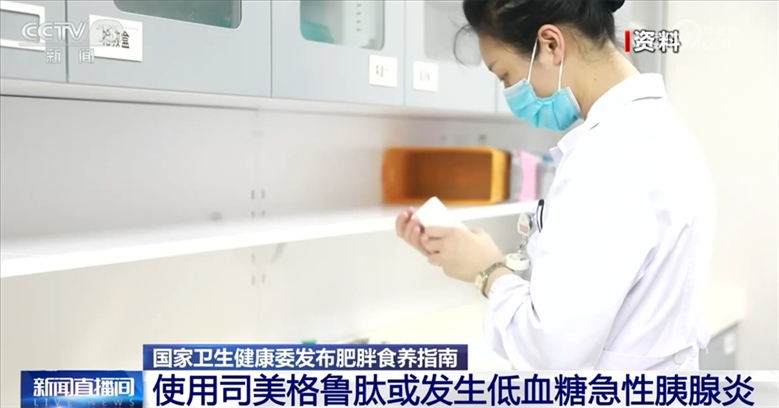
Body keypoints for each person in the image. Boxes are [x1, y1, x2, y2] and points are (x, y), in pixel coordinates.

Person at [395, 0, 715, 370]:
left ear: (550, 45)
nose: (510, 93)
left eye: (505, 76)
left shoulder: (609, 155)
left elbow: (551, 352)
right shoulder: (660, 127)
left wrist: (488, 273)